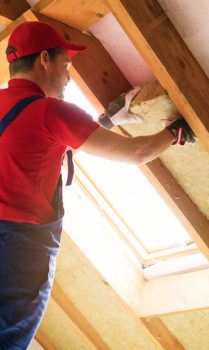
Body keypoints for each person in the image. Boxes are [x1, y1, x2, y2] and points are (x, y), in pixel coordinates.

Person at [0, 21, 195, 349]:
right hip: (19, 252)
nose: (68, 76)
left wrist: (105, 121)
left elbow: (34, 149)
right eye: (67, 64)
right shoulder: (53, 112)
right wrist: (178, 132)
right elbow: (137, 152)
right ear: (44, 59)